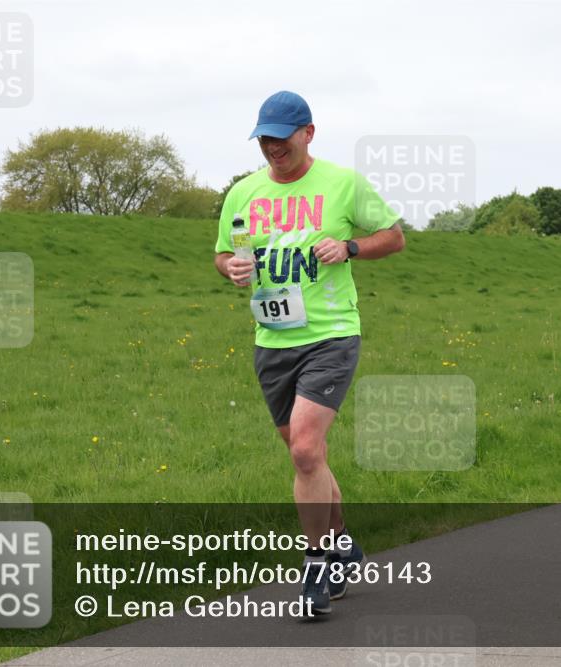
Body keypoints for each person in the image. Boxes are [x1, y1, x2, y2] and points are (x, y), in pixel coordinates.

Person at [214, 91, 405, 615]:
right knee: (309, 456)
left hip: (330, 335)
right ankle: (344, 546)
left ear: (308, 133)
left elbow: (393, 236)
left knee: (303, 449)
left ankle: (316, 566)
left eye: (282, 137)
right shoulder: (243, 193)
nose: (273, 147)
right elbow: (223, 252)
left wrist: (349, 247)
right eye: (265, 139)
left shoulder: (342, 183)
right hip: (272, 340)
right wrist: (230, 267)